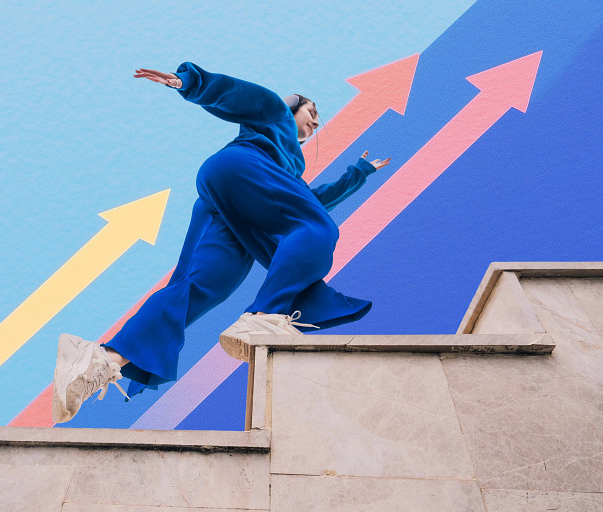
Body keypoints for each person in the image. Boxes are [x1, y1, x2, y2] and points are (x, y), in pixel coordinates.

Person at [52, 62, 391, 423]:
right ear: (293, 106)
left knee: (202, 285)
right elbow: (240, 95)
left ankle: (99, 360)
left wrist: (358, 174)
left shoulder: (288, 170)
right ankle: (264, 315)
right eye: (312, 112)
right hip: (241, 167)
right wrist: (188, 82)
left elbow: (311, 200)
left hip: (224, 199)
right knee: (317, 229)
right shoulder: (274, 116)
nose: (317, 122)